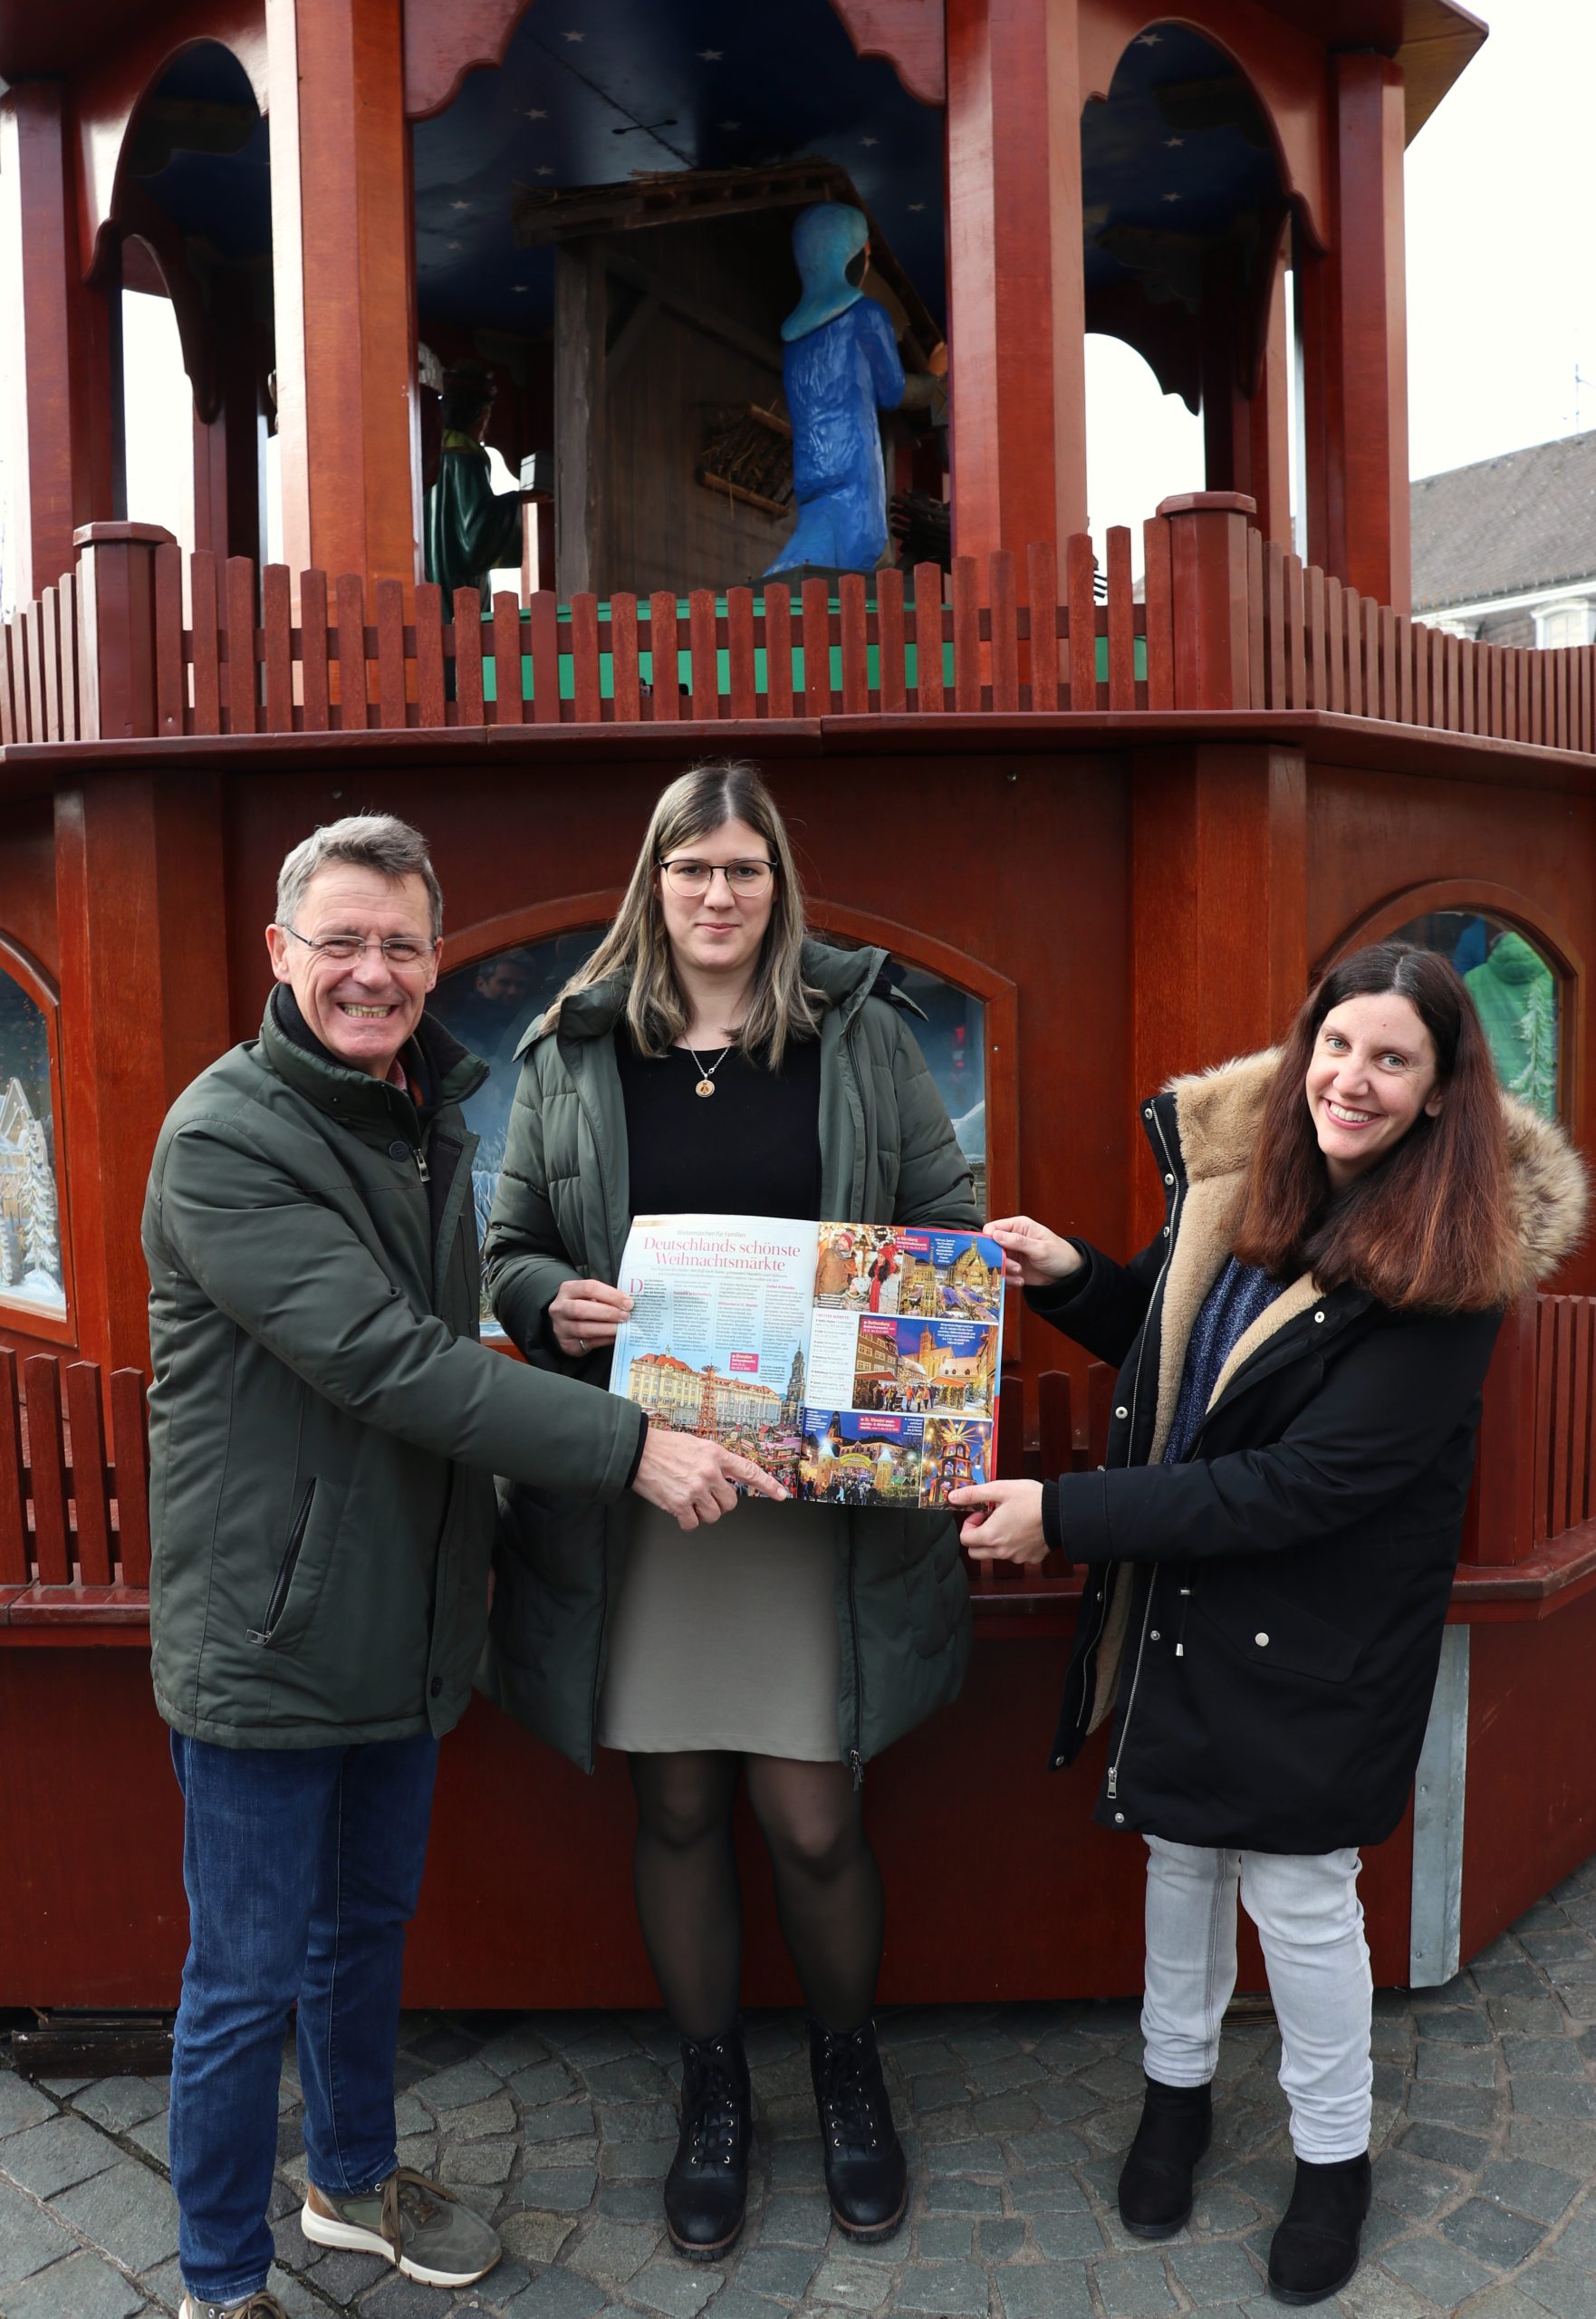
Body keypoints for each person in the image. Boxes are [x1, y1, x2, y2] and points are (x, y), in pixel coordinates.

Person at [143, 813, 776, 2319]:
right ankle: (221, 2283)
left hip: (407, 1612)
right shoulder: (226, 1136)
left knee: (364, 1935)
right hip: (270, 1632)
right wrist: (627, 1446)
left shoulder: (417, 1112)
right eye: (343, 940)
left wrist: (556, 1317)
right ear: (280, 952)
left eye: (403, 945)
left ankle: (351, 2185)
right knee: (238, 1987)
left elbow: (456, 1331)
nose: (374, 972)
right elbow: (383, 1364)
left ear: (436, 961)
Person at [948, 942, 1585, 2308]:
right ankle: (1171, 2100)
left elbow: (1303, 1481)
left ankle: (1332, 2158)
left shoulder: (1452, 1263)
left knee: (1298, 1899)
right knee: (1177, 1859)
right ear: (1304, 1052)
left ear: (1436, 1094)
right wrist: (1072, 1279)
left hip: (1314, 1631)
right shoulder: (1248, 1186)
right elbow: (1191, 1368)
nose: (1351, 1079)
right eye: (1335, 1047)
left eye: (1391, 1060)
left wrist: (1061, 1518)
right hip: (1194, 1601)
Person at [480, 758, 976, 2259]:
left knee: (811, 1816)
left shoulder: (862, 1041)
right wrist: (539, 1300)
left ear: (777, 886)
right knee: (678, 1800)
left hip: (811, 1499)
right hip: (643, 1493)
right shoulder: (572, 1048)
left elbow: (944, 1228)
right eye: (691, 869)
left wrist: (885, 1331)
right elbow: (507, 1243)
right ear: (654, 882)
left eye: (742, 870)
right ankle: (710, 2090)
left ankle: (844, 2065)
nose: (717, 895)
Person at [764, 202, 946, 582]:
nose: (867, 262)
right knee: (855, 554)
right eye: (864, 253)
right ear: (846, 257)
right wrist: (934, 376)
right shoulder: (865, 316)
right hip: (854, 467)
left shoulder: (793, 337)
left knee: (834, 559)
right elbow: (893, 392)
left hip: (812, 470)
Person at [423, 372, 543, 604]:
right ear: (478, 415)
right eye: (486, 417)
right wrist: (517, 500)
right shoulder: (467, 456)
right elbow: (475, 530)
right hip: (457, 573)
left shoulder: (432, 450)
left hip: (430, 563)